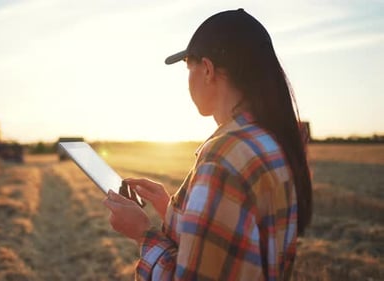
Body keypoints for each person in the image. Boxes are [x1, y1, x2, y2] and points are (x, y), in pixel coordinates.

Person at [103, 8, 312, 281]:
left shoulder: (224, 156)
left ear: (208, 70)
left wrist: (143, 234)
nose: (187, 81)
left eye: (188, 68)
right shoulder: (271, 142)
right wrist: (172, 209)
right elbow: (236, 246)